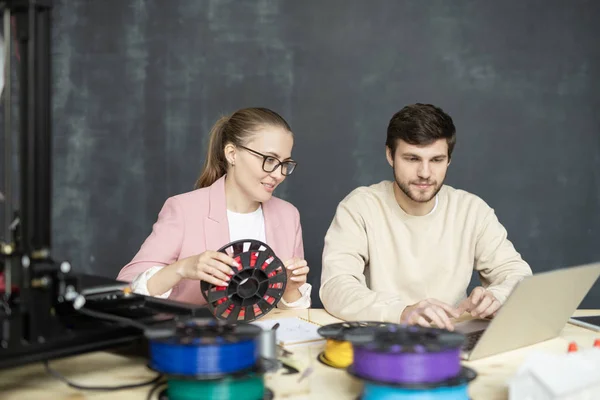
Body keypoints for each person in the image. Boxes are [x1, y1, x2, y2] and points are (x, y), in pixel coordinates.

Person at [319, 103, 532, 330]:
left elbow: (517, 274)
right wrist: (402, 312)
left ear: (449, 159)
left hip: (452, 337)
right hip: (386, 337)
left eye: (436, 160)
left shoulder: (472, 210)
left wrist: (497, 296)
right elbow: (336, 286)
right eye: (412, 159)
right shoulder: (360, 207)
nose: (425, 173)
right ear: (390, 155)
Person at [118, 107, 311, 309]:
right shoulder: (184, 210)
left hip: (262, 336)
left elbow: (291, 314)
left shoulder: (288, 215)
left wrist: (290, 288)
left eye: (285, 163)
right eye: (270, 160)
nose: (279, 174)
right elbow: (126, 288)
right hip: (194, 336)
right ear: (232, 154)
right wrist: (182, 268)